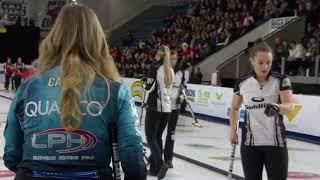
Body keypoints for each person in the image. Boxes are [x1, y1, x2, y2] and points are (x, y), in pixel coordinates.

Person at [4, 4, 146, 180]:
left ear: (55, 38)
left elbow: (11, 156)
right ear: (98, 40)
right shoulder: (115, 91)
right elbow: (134, 161)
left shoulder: (28, 88)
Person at [229, 41, 294, 180]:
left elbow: (289, 106)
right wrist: (233, 131)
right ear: (252, 61)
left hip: (276, 144)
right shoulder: (242, 83)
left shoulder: (281, 80)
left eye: (268, 62)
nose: (265, 67)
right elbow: (234, 108)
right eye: (260, 62)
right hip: (250, 145)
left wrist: (278, 107)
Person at [144, 45, 174, 179]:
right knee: (157, 138)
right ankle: (155, 168)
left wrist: (144, 82)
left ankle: (161, 165)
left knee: (151, 138)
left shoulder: (155, 67)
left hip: (155, 107)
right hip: (167, 109)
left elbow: (149, 87)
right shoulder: (170, 70)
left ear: (158, 54)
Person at [164, 50, 186, 168]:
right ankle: (156, 157)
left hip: (175, 108)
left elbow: (183, 87)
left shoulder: (181, 73)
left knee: (171, 133)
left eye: (175, 59)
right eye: (171, 59)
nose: (173, 61)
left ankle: (168, 159)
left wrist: (182, 96)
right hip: (163, 107)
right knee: (157, 134)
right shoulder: (163, 71)